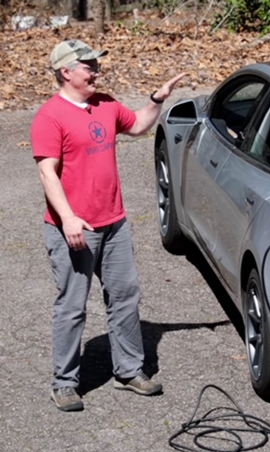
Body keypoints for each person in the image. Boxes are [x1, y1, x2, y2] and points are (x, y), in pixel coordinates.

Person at [30, 39, 186, 412]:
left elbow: (137, 126)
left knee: (125, 296)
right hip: (74, 228)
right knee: (72, 306)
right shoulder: (49, 116)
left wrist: (156, 99)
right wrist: (67, 218)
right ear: (66, 72)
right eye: (88, 66)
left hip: (113, 223)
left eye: (96, 65)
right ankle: (64, 383)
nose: (96, 71)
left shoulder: (105, 103)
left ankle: (129, 371)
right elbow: (46, 172)